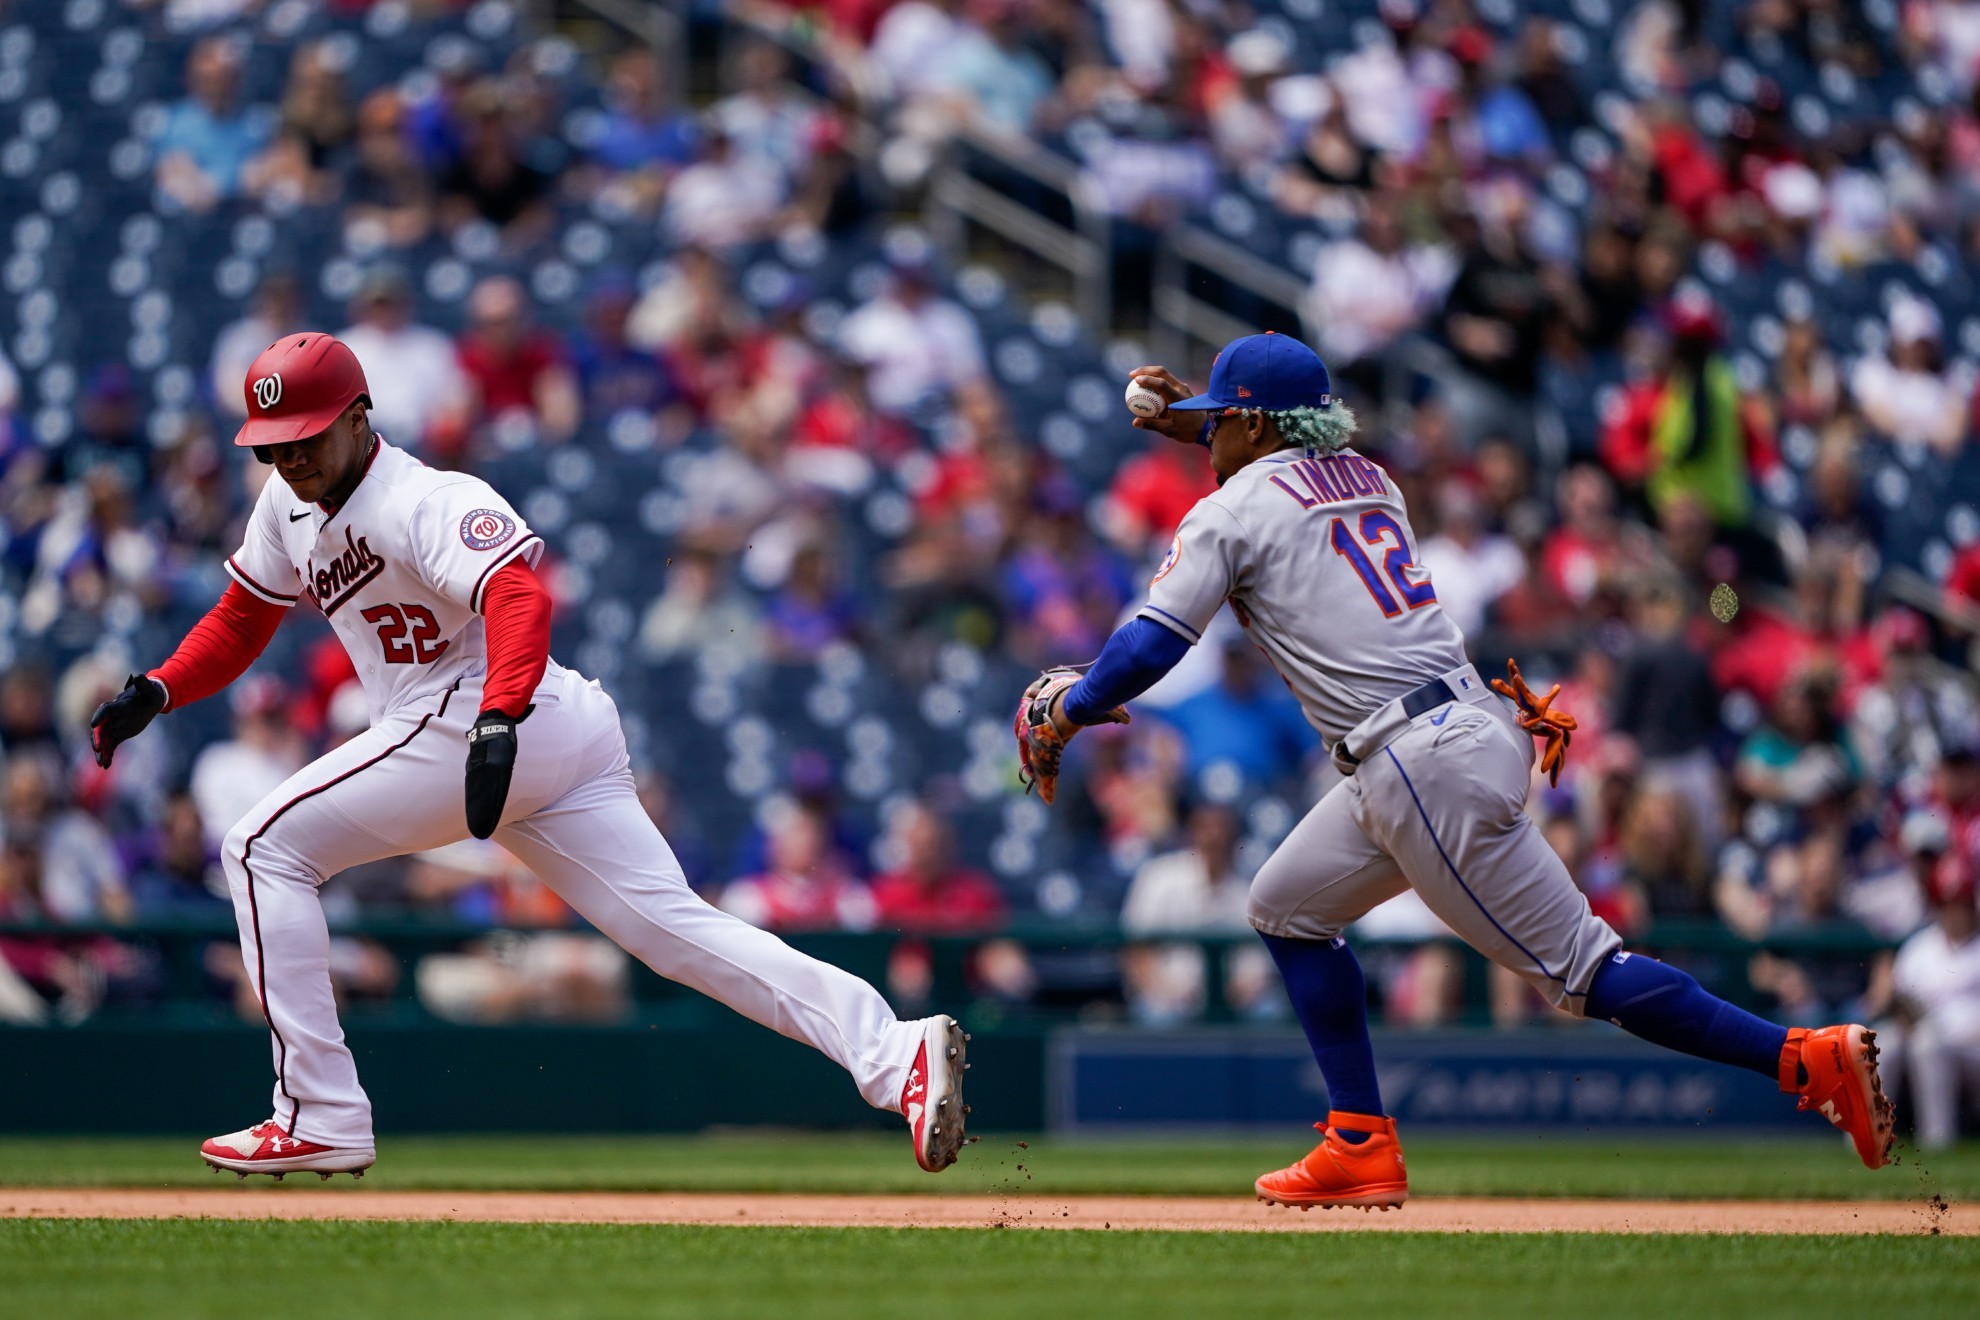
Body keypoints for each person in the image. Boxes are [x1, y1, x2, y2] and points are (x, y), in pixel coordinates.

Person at [1011, 332, 1893, 1211]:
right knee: (1285, 907)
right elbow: (1286, 466)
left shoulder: (1231, 510)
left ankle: (1804, 1060)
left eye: (1219, 420)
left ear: (1249, 423)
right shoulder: (1371, 479)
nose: (1209, 437)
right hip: (1446, 733)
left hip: (1414, 760)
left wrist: (1070, 706)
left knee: (1584, 972)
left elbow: (1151, 643)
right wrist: (1205, 426)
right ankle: (1358, 1138)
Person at [87, 332, 969, 1181]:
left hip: (483, 708)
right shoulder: (286, 503)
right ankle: (896, 1054)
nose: (291, 459)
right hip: (520, 726)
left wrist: (497, 719)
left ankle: (318, 1114)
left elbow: (517, 594)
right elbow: (244, 617)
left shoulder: (421, 496)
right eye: (272, 445)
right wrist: (163, 687)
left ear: (359, 416)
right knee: (679, 935)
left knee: (257, 845)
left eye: (307, 437)